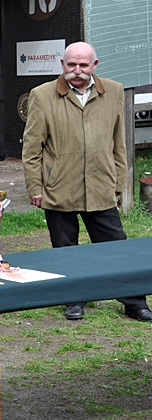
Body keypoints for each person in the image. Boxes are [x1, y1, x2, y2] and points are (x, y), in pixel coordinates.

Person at [22, 41, 152, 322]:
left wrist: (118, 182)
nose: (77, 70)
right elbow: (32, 149)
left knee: (117, 248)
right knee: (65, 250)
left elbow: (119, 141)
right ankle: (74, 299)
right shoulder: (42, 95)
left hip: (100, 185)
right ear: (62, 65)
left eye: (83, 65)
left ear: (95, 65)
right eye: (71, 64)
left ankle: (134, 302)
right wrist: (36, 187)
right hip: (59, 188)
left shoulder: (114, 90)